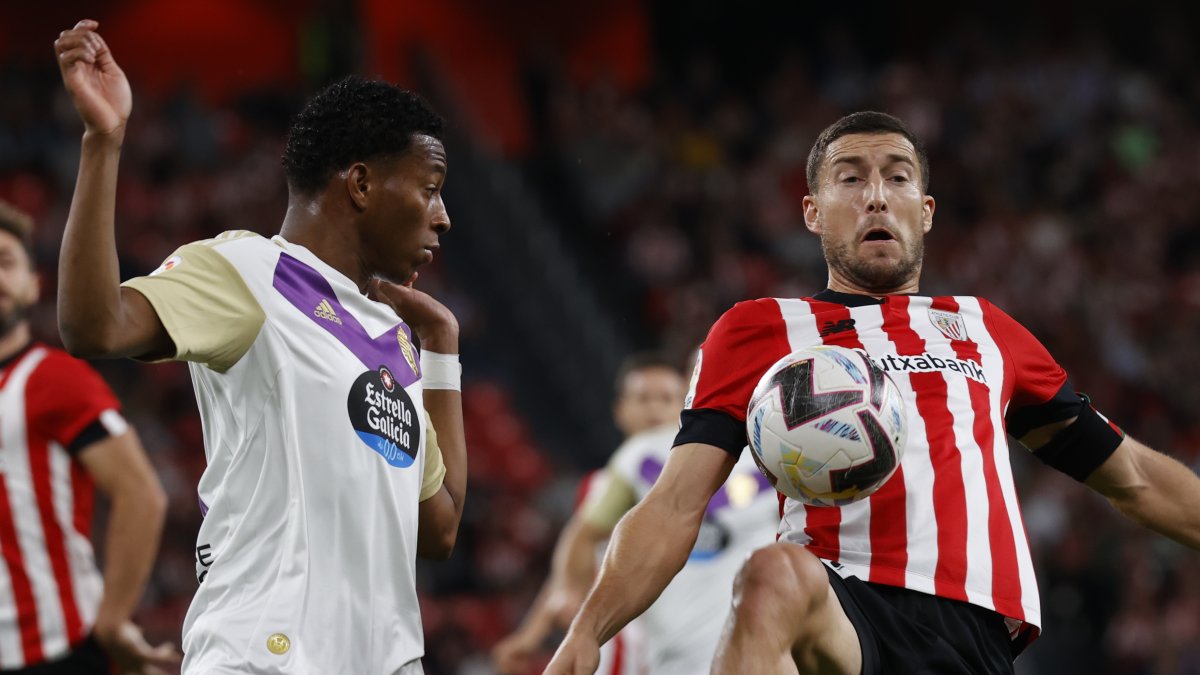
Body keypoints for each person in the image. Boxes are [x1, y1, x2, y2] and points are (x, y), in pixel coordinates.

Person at [545, 111, 1200, 675]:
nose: (877, 196)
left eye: (898, 177)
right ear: (812, 211)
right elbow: (674, 503)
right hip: (842, 607)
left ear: (926, 211)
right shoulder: (757, 331)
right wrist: (588, 631)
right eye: (851, 178)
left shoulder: (985, 329)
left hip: (972, 632)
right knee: (773, 575)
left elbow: (1133, 477)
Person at [54, 19, 467, 675]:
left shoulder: (395, 342)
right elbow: (94, 326)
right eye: (430, 188)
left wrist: (441, 347)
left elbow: (439, 529)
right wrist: (103, 143)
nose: (442, 216)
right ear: (361, 184)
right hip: (262, 656)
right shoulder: (249, 271)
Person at [0, 202, 174, 674]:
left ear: (34, 285)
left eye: (6, 261)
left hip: (57, 650)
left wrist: (113, 619)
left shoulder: (55, 378)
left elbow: (141, 493)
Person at [493, 353, 687, 675]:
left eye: (666, 399)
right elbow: (574, 556)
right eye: (643, 399)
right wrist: (532, 634)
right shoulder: (599, 485)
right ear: (620, 411)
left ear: (685, 407)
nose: (654, 409)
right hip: (630, 637)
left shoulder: (715, 480)